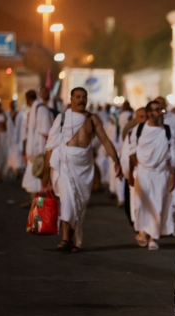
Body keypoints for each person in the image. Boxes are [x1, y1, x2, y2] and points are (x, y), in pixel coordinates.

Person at [42, 87, 122, 253]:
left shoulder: (92, 119)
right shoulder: (62, 118)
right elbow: (50, 146)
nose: (81, 100)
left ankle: (71, 239)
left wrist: (116, 161)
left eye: (84, 97)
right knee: (67, 200)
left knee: (78, 204)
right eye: (77, 97)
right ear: (71, 99)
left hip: (84, 168)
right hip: (65, 164)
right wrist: (45, 172)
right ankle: (65, 239)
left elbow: (106, 141)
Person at [128, 101, 175, 250]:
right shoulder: (139, 129)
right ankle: (143, 231)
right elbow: (132, 153)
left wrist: (173, 176)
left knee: (157, 204)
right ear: (149, 113)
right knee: (142, 204)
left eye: (160, 110)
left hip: (161, 173)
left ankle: (153, 238)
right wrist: (131, 173)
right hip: (143, 172)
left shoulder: (168, 131)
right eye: (155, 110)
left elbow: (173, 156)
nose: (159, 113)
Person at [22, 90, 54, 207]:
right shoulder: (35, 109)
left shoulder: (41, 110)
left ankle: (40, 208)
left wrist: (48, 153)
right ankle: (34, 206)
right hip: (34, 156)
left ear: (27, 98)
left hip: (40, 154)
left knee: (41, 184)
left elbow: (46, 133)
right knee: (33, 184)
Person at [120, 107, 147, 226]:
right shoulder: (131, 132)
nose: (144, 120)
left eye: (146, 117)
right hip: (133, 173)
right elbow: (126, 155)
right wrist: (127, 173)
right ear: (136, 118)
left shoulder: (159, 131)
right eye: (141, 117)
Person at [6, 100, 26, 177]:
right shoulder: (7, 114)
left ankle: (17, 171)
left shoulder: (20, 114)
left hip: (18, 139)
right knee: (11, 155)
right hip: (10, 139)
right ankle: (13, 170)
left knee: (17, 155)